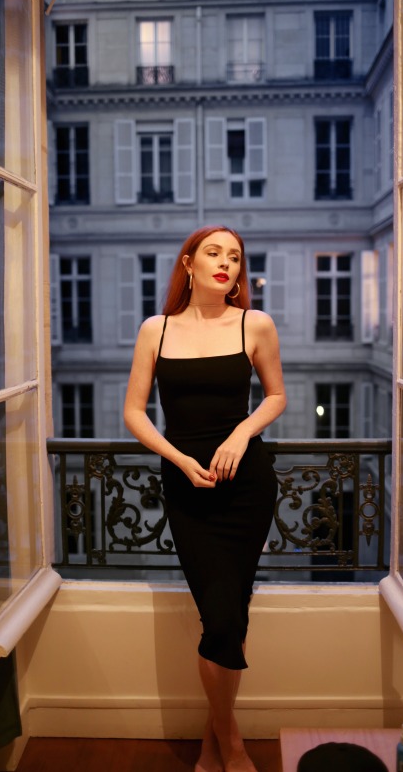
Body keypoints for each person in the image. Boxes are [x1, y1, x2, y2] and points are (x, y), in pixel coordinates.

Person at [124, 225, 287, 772]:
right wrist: (177, 459)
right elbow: (133, 412)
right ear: (188, 264)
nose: (226, 263)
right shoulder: (156, 330)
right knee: (219, 618)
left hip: (247, 486)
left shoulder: (254, 324)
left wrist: (241, 434)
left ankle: (213, 740)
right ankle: (229, 740)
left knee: (229, 619)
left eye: (234, 257)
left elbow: (276, 396)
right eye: (214, 253)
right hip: (187, 486)